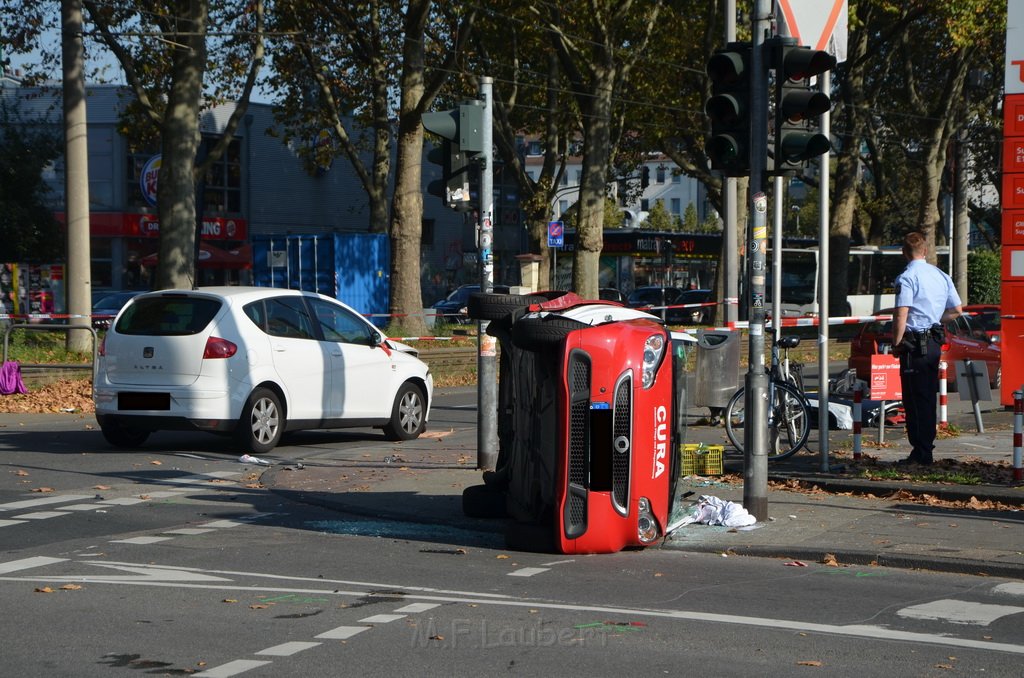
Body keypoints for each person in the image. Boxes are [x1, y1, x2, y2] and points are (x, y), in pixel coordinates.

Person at [892, 231, 962, 465]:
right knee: (927, 395)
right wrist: (935, 320)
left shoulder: (907, 277)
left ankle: (920, 452)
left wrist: (897, 342)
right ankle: (926, 448)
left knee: (913, 397)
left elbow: (902, 313)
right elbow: (956, 310)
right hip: (933, 341)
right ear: (925, 251)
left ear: (905, 252)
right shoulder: (941, 275)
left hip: (914, 344)